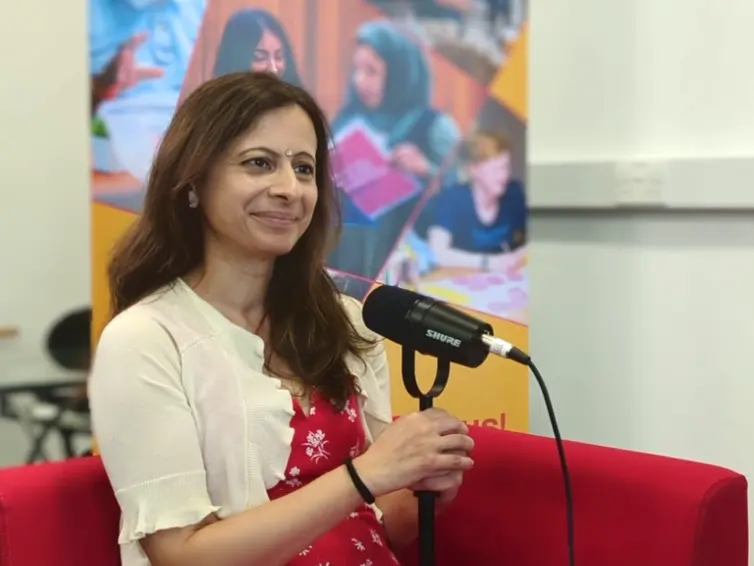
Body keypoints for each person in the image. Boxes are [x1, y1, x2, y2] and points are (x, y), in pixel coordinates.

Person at [89, 72, 474, 566]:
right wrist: (365, 475)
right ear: (193, 183)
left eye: (304, 168)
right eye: (259, 164)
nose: (289, 189)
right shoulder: (146, 339)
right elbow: (181, 556)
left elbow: (379, 525)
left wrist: (424, 487)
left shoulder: (347, 322)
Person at [426, 129, 527, 273]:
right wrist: (491, 262)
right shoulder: (452, 198)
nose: (504, 175)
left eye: (506, 167)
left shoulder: (513, 192)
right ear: (473, 169)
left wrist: (519, 255)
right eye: (497, 169)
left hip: (504, 276)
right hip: (459, 277)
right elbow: (435, 253)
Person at [212, 8, 302, 85]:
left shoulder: (295, 103)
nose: (273, 69)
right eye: (260, 58)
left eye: (278, 57)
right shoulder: (218, 103)